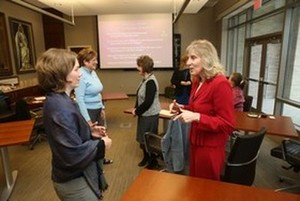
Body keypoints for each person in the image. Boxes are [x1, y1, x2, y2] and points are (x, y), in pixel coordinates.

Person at [36, 48, 112, 200]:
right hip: (73, 181)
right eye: (77, 69)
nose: (81, 73)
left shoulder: (61, 100)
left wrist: (90, 132)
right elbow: (71, 155)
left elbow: (69, 135)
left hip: (75, 177)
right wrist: (101, 144)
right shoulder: (60, 108)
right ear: (63, 74)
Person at [170, 39, 235, 180]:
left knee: (206, 191)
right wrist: (181, 108)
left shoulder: (220, 84)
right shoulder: (197, 81)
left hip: (210, 148)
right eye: (188, 58)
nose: (188, 63)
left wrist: (197, 117)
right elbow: (196, 108)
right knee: (196, 186)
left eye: (193, 58)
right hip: (195, 143)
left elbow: (227, 125)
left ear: (207, 58)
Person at [74, 47, 113, 165]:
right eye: (93, 60)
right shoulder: (80, 74)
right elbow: (80, 100)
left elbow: (98, 93)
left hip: (97, 108)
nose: (96, 62)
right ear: (85, 62)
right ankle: (92, 161)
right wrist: (88, 120)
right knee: (90, 137)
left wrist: (102, 107)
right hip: (88, 111)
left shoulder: (93, 72)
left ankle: (100, 158)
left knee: (101, 135)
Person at [131, 55, 160, 169]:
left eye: (139, 66)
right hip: (144, 114)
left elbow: (148, 102)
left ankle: (153, 161)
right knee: (143, 138)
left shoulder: (151, 82)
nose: (137, 68)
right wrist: (136, 109)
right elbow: (140, 97)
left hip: (150, 115)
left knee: (148, 139)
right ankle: (146, 158)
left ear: (144, 67)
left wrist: (137, 111)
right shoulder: (145, 79)